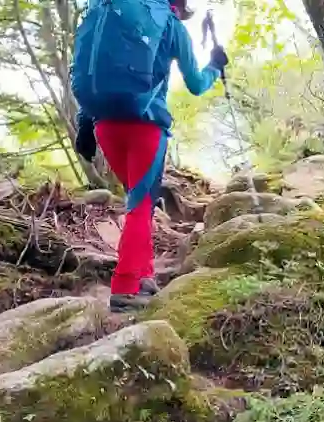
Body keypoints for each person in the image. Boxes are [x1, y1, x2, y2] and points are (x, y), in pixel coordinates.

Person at [71, 0, 228, 311]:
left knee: (137, 201)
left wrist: (85, 122)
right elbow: (196, 84)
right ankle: (125, 288)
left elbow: (92, 69)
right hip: (145, 126)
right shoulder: (171, 26)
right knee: (140, 207)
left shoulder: (108, 13)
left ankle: (144, 276)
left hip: (103, 126)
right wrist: (214, 65)